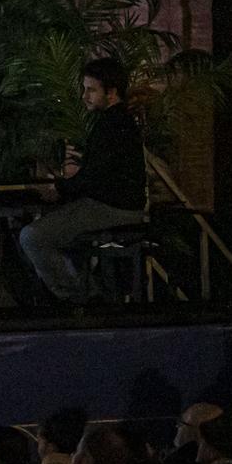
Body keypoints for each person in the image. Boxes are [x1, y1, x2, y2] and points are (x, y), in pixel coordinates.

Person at [19, 57, 147, 305]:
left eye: (91, 90)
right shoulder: (117, 123)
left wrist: (59, 189)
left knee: (32, 236)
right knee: (54, 231)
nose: (84, 96)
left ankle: (79, 297)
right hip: (115, 205)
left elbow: (95, 177)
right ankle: (88, 291)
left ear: (111, 93)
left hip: (113, 208)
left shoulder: (112, 126)